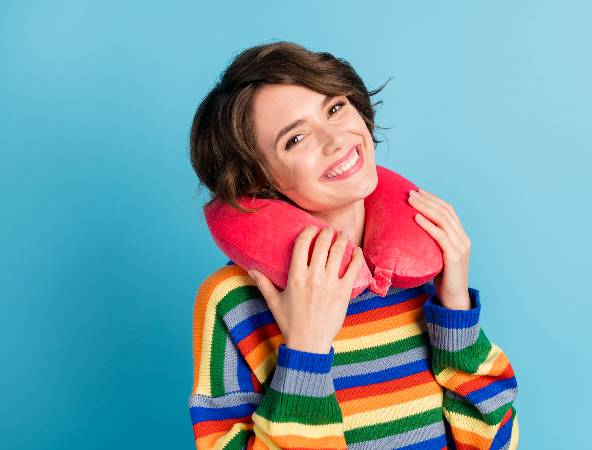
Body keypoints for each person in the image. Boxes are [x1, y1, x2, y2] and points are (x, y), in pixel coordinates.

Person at [188, 40, 519, 449]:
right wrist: (305, 352)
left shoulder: (424, 271)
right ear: (258, 179)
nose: (336, 139)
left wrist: (455, 315)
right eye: (296, 139)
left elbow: (497, 441)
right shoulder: (232, 302)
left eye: (335, 108)